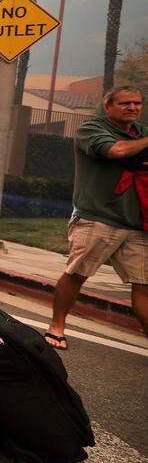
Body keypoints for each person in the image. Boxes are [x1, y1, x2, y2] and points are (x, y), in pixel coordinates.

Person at [44, 86, 148, 349]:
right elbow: (117, 151)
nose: (132, 107)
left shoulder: (142, 133)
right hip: (98, 217)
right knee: (77, 274)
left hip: (137, 223)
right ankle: (57, 326)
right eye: (125, 103)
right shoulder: (91, 129)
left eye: (137, 103)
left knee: (144, 285)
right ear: (108, 106)